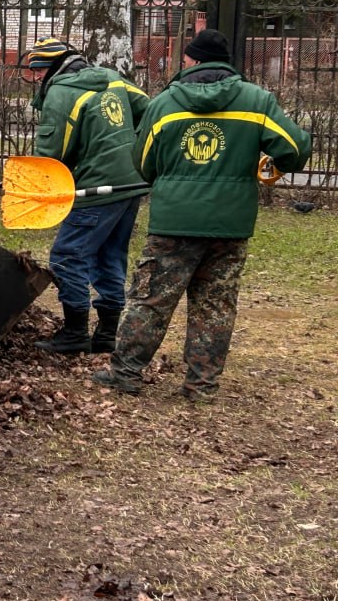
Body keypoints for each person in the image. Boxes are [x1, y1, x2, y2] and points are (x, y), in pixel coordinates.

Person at [93, 28, 312, 399]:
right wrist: (263, 161)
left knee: (151, 299)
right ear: (227, 63)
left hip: (173, 222)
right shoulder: (256, 101)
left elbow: (143, 163)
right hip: (230, 224)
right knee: (215, 305)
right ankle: (201, 385)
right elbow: (294, 149)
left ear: (191, 61)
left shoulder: (164, 104)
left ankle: (125, 374)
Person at [22, 38, 151, 354]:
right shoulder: (112, 78)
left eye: (39, 70)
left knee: (68, 256)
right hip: (131, 184)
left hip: (96, 187)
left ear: (54, 67)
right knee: (110, 253)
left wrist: (35, 186)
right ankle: (107, 334)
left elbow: (53, 156)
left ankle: (76, 333)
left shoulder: (61, 93)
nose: (36, 77)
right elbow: (149, 109)